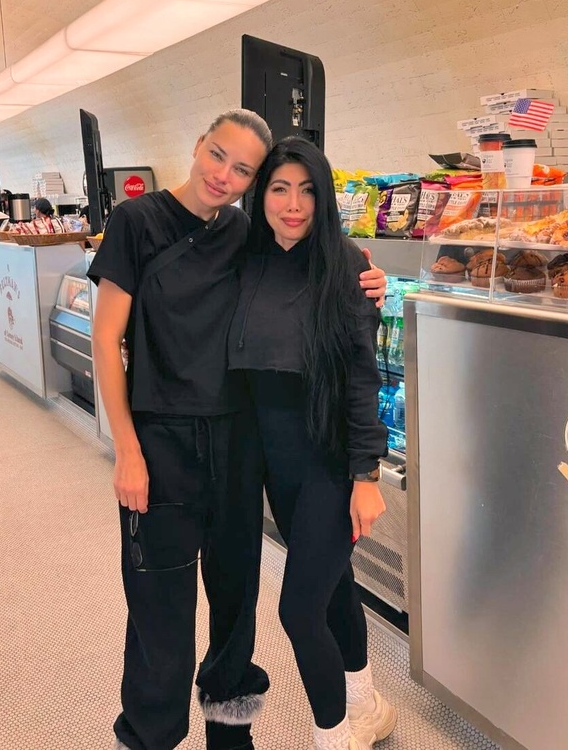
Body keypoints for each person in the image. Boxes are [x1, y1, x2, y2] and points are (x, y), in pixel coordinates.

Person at [88, 109, 387, 750]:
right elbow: (106, 339)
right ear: (199, 144)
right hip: (161, 444)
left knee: (236, 605)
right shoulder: (136, 222)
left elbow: (314, 268)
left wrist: (366, 276)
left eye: (243, 169)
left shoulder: (245, 233)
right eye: (218, 155)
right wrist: (126, 449)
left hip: (237, 445)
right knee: (160, 610)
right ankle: (148, 736)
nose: (224, 175)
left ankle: (231, 739)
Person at [227, 137, 397, 750]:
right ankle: (367, 704)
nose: (293, 205)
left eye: (306, 191)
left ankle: (335, 738)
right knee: (333, 587)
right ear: (261, 196)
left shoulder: (345, 266)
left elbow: (362, 378)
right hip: (277, 469)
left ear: (322, 198)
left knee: (298, 610)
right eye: (279, 189)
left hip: (330, 463)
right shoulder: (245, 259)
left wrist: (366, 476)